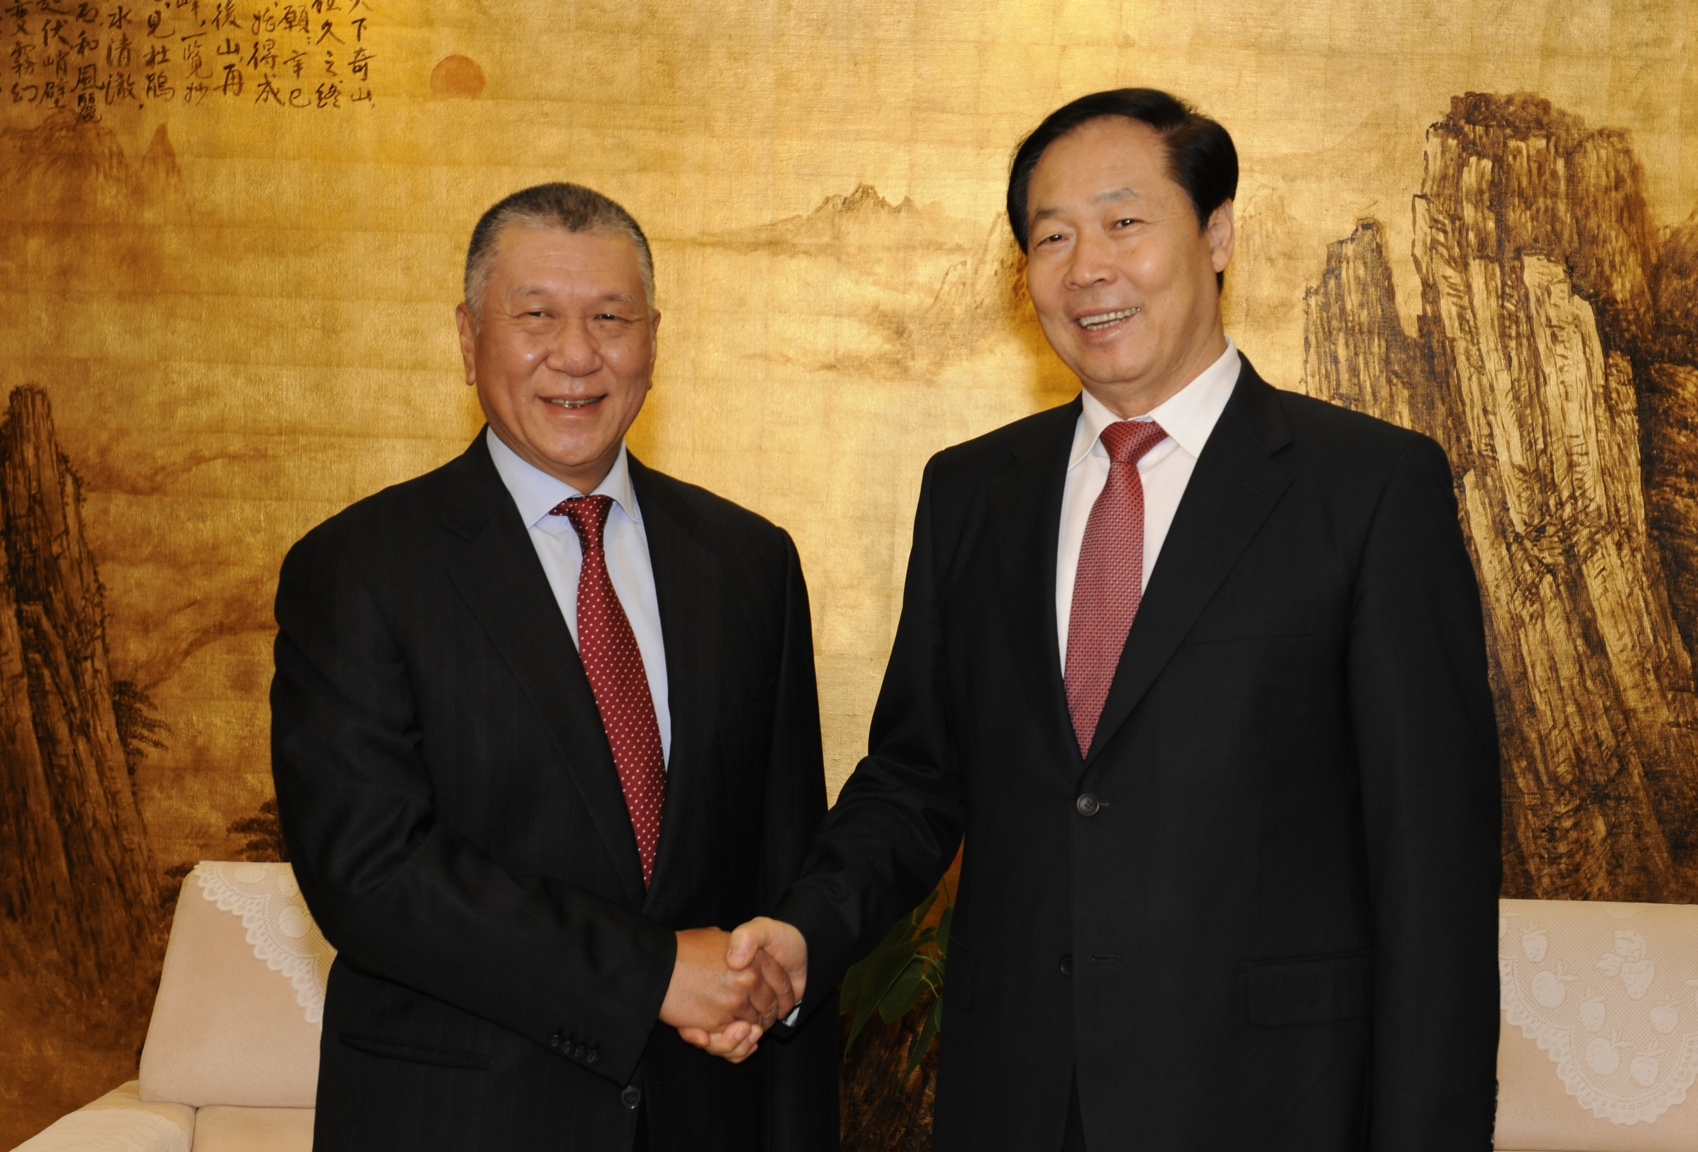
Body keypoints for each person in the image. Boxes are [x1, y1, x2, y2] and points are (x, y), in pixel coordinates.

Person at [730, 89, 1502, 1150]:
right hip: (1016, 1099)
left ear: (1217, 234)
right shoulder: (974, 492)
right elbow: (916, 780)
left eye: (1124, 222)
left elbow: (1433, 868)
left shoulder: (1368, 488)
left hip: (1273, 1105)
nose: (1087, 267)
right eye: (1052, 238)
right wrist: (802, 933)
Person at [271, 182, 837, 1151]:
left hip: (704, 1117)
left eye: (611, 319)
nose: (577, 355)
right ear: (468, 338)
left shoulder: (750, 564)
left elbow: (783, 865)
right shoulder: (361, 568)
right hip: (458, 1123)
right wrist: (651, 974)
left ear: (653, 341)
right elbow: (370, 873)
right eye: (535, 317)